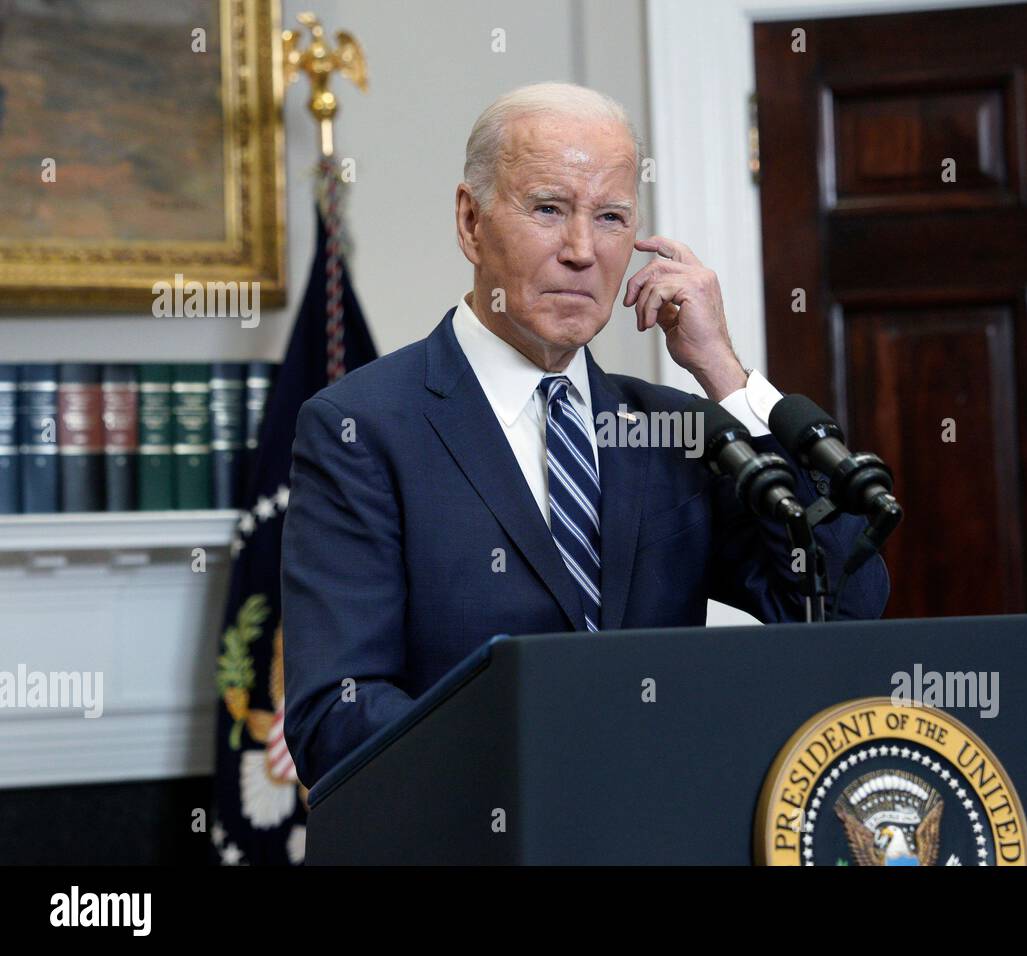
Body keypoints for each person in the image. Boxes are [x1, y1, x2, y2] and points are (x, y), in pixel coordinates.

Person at [281, 82, 889, 789]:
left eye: (610, 218)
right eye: (548, 209)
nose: (581, 250)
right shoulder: (362, 427)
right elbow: (337, 714)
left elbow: (841, 599)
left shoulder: (676, 431)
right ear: (470, 221)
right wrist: (553, 769)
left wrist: (724, 373)